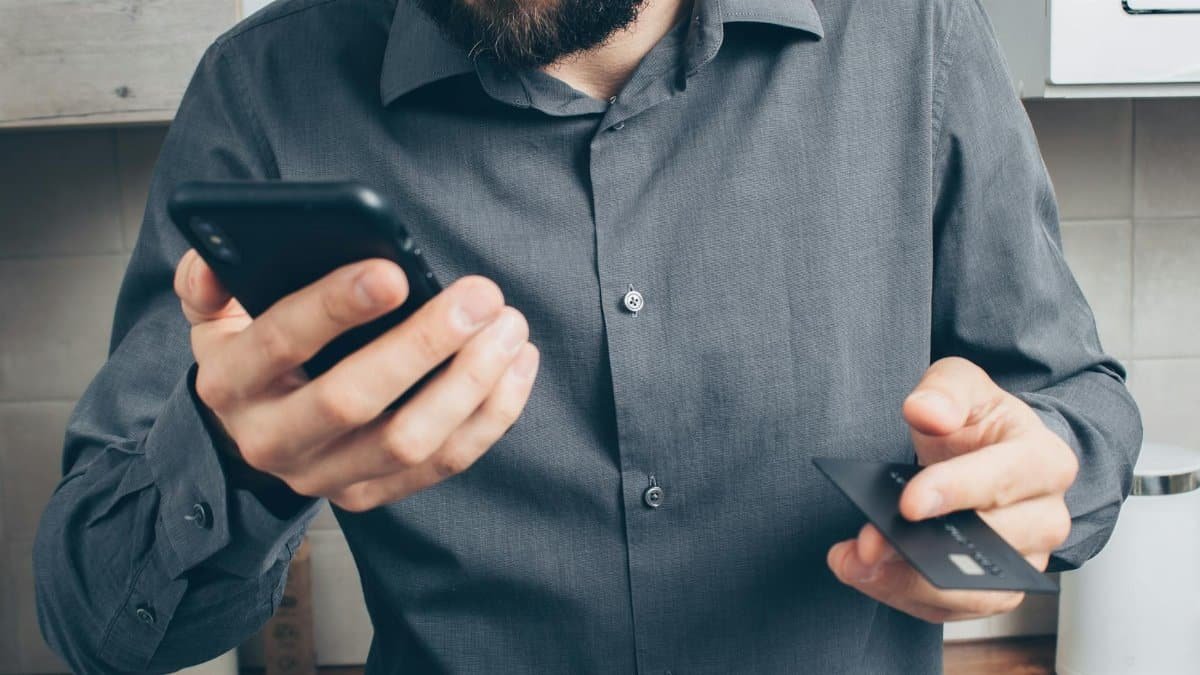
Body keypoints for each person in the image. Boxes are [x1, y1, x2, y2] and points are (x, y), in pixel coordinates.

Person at [34, 0, 1142, 672]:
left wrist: (1031, 482)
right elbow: (99, 626)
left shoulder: (917, 33)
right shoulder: (267, 88)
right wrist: (235, 466)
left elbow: (1078, 404)